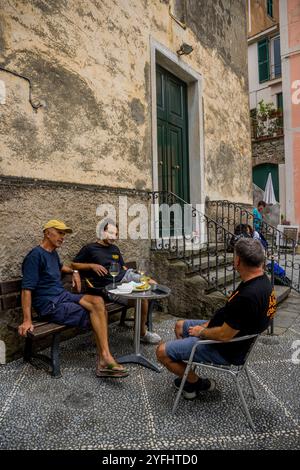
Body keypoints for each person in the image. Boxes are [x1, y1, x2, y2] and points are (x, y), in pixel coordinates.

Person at [156, 238, 276, 399]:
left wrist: (202, 332)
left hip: (226, 349)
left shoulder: (248, 296)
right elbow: (230, 317)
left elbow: (224, 335)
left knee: (162, 352)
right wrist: (208, 324)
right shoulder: (262, 282)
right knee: (179, 326)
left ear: (238, 261)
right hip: (234, 336)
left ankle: (196, 382)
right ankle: (188, 375)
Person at [18, 219, 128, 378]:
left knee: (98, 302)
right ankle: (104, 359)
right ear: (47, 233)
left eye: (64, 234)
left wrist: (74, 272)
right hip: (50, 304)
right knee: (98, 313)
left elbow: (61, 267)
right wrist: (27, 320)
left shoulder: (52, 253)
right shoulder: (35, 256)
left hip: (62, 296)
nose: (62, 237)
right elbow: (26, 289)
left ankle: (104, 358)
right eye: (59, 233)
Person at [72, 220, 161, 344]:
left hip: (125, 276)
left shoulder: (115, 248)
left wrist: (134, 276)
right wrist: (91, 266)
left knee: (153, 285)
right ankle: (142, 333)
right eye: (111, 233)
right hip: (110, 286)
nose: (114, 237)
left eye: (116, 234)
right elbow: (73, 264)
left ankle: (141, 332)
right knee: (143, 298)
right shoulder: (90, 248)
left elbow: (123, 267)